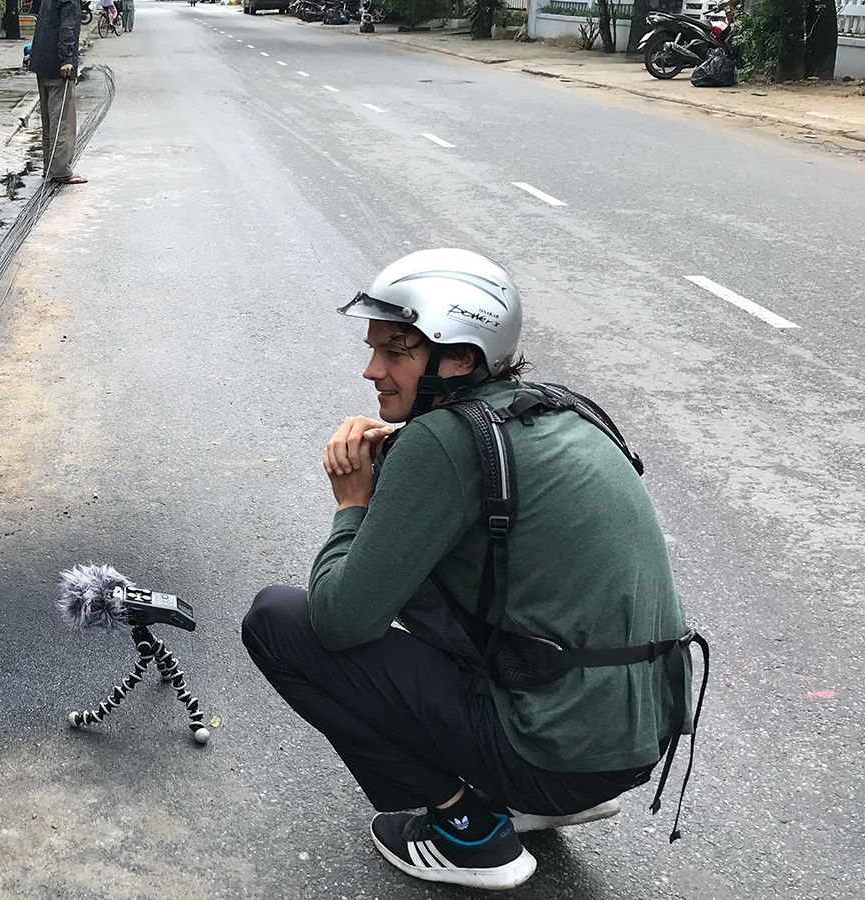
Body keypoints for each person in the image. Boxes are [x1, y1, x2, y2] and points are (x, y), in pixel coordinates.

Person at [241, 249, 699, 890]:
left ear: (460, 356)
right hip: (631, 738)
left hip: (560, 749)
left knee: (277, 621)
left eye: (396, 350)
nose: (371, 369)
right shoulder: (553, 410)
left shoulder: (445, 442)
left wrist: (353, 506)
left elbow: (340, 619)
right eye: (375, 347)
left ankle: (469, 830)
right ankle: (544, 797)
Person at [27, 0, 88, 185]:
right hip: (57, 65)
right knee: (62, 120)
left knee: (49, 119)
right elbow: (67, 27)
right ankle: (60, 170)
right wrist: (66, 59)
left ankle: (50, 167)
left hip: (42, 61)